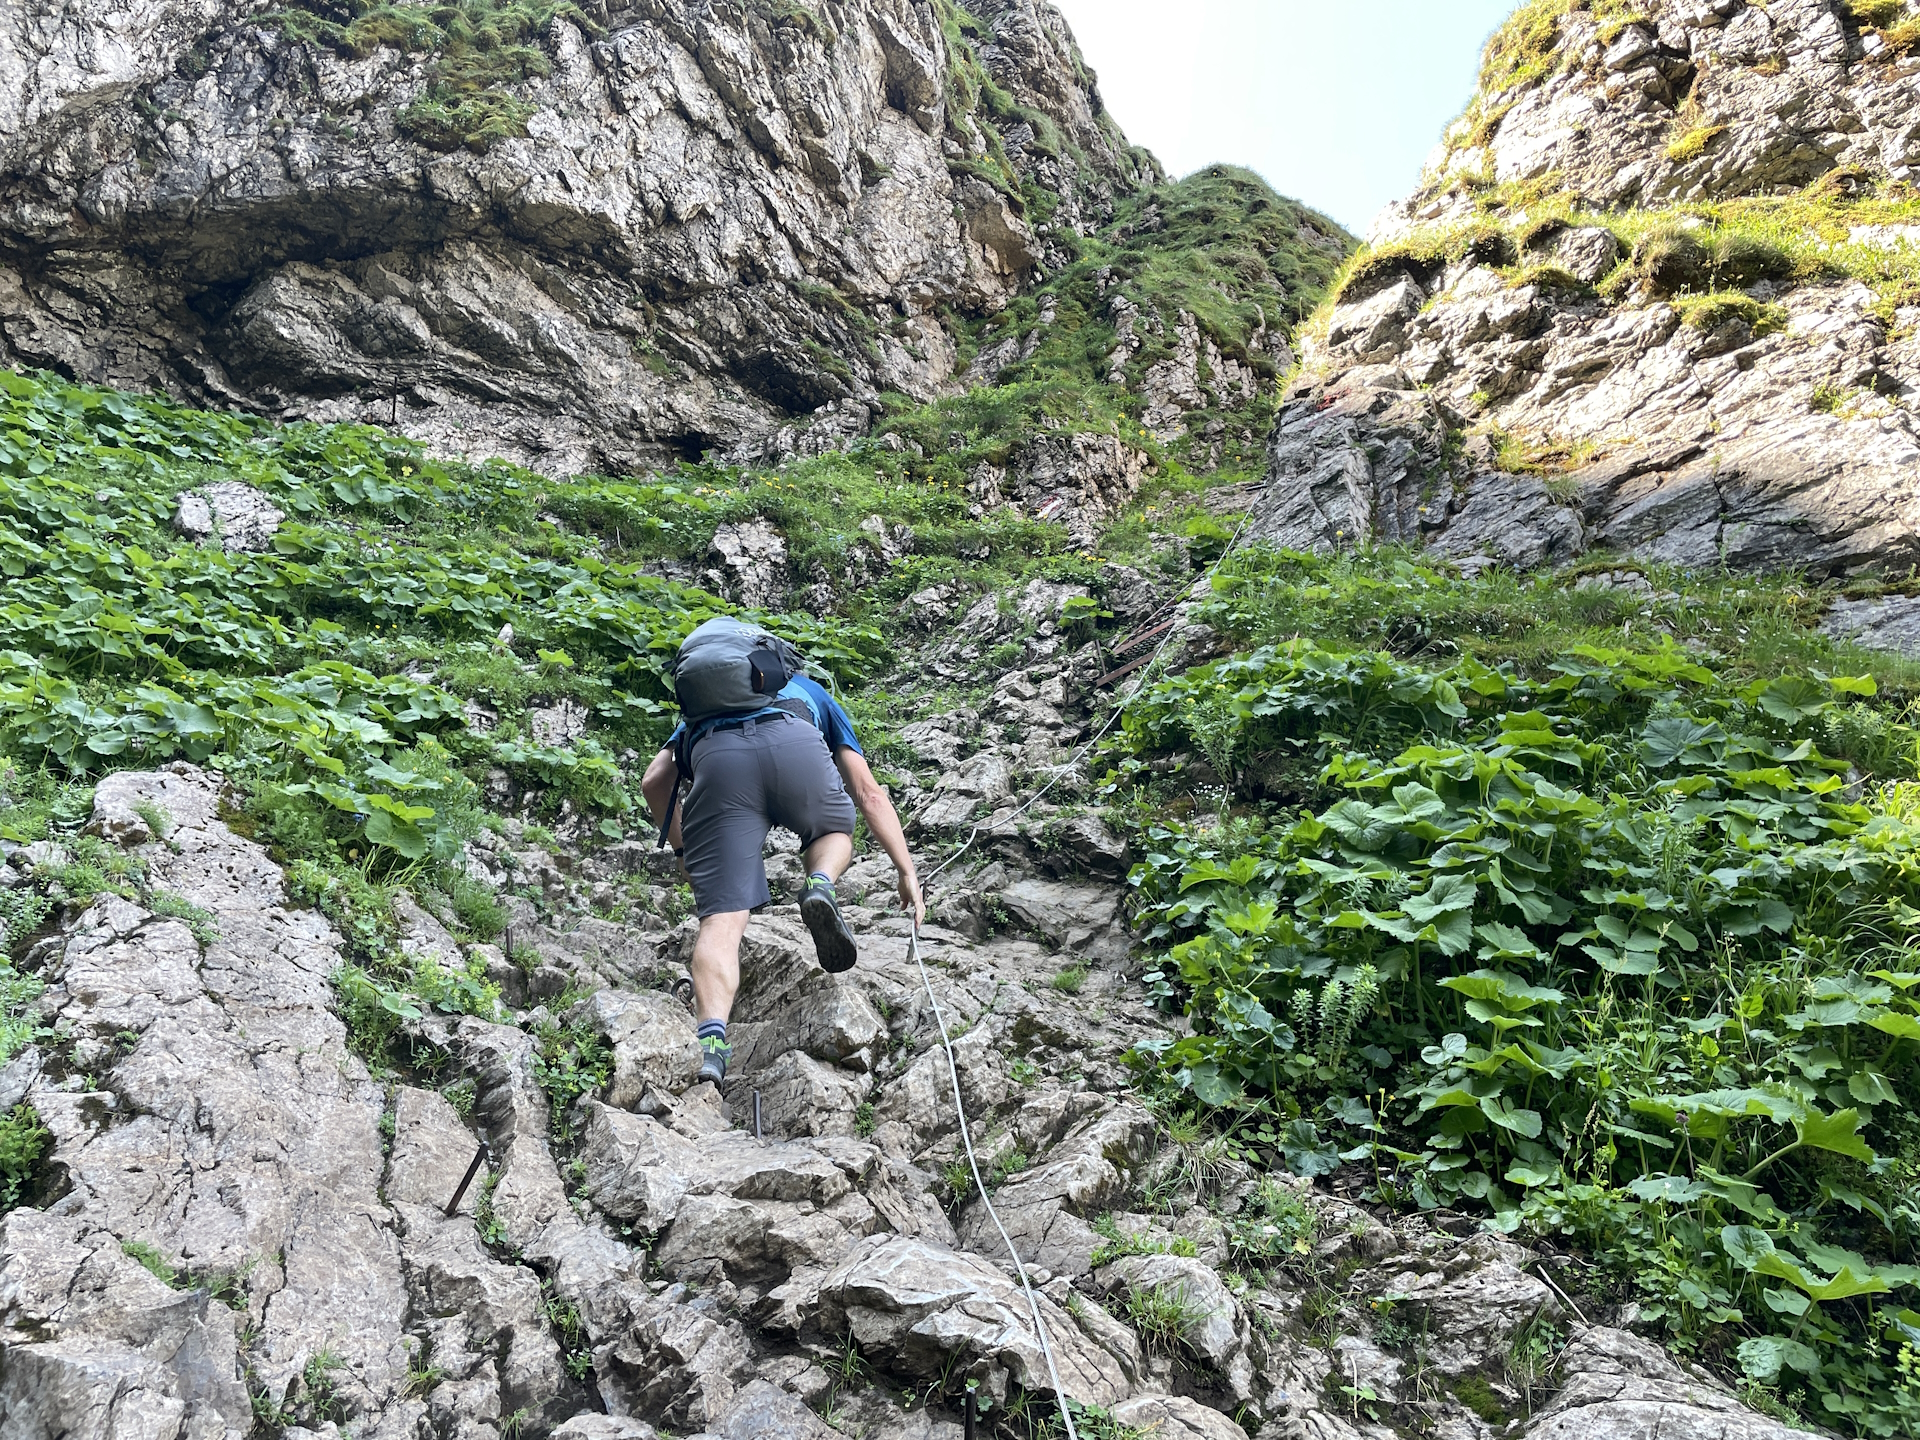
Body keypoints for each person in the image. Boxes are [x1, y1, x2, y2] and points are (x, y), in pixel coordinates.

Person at [641, 661, 924, 1086]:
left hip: (720, 764)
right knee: (832, 831)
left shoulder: (705, 708)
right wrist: (906, 870)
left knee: (721, 923)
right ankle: (819, 882)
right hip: (796, 746)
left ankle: (711, 1047)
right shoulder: (811, 691)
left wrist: (683, 847)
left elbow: (655, 781)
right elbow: (867, 792)